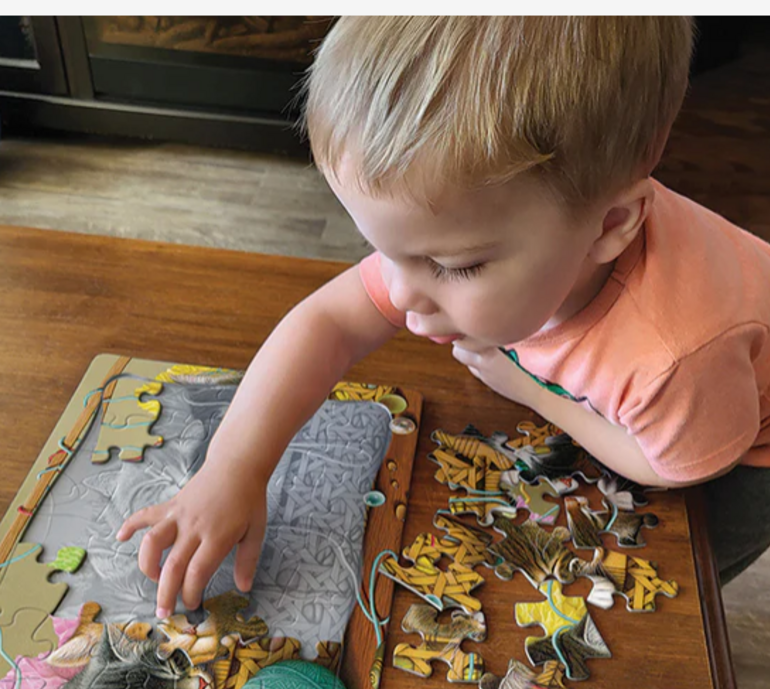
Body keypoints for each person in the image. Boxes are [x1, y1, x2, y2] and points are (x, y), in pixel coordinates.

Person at [117, 16, 770, 616]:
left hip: (740, 449)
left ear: (610, 226)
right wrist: (233, 468)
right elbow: (327, 324)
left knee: (684, 594)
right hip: (668, 407)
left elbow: (672, 465)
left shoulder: (675, 357)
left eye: (453, 265)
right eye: (381, 249)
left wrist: (531, 391)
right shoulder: (512, 228)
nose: (400, 294)